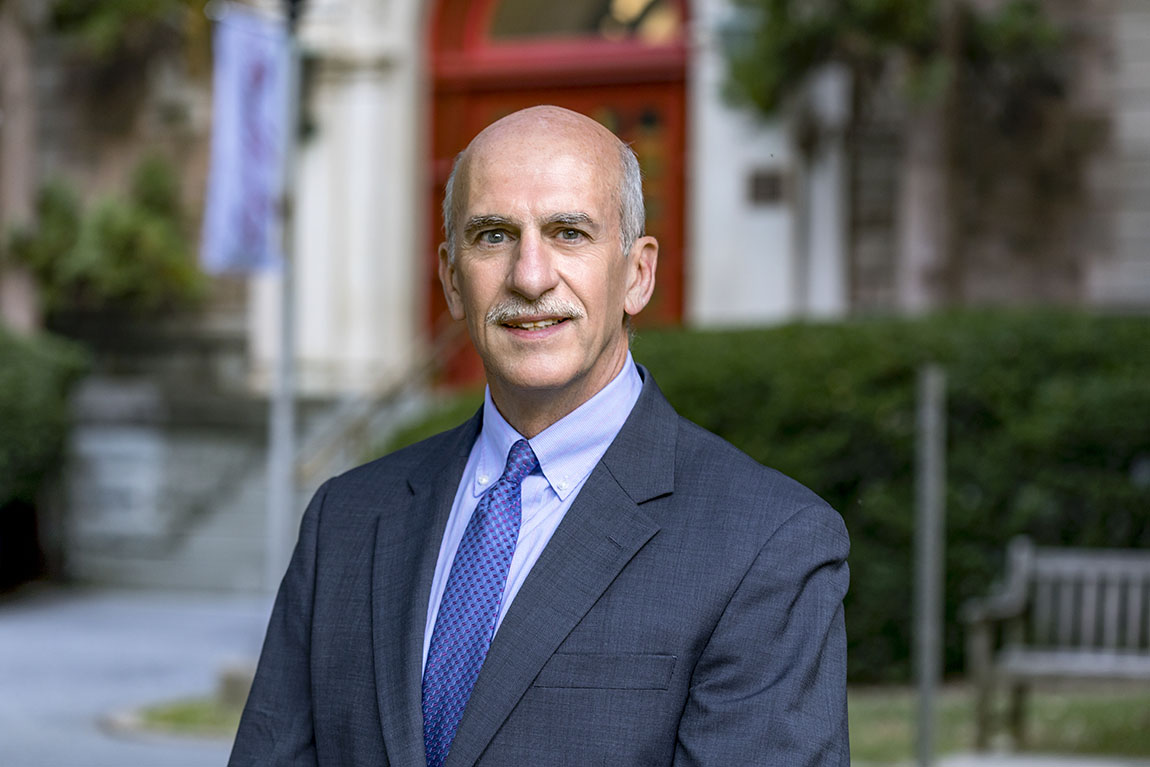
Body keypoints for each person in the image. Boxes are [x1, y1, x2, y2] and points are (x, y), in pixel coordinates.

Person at [229, 105, 850, 767]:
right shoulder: (345, 521)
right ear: (451, 279)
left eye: (568, 232)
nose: (530, 276)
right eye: (493, 235)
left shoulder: (766, 543)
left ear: (637, 273)